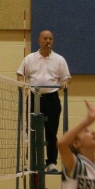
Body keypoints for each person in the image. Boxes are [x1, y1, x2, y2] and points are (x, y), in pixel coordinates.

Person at [17, 30, 71, 172]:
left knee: (51, 132)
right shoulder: (29, 58)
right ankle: (31, 162)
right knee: (31, 131)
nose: (48, 41)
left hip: (52, 98)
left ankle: (51, 163)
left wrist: (65, 82)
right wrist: (22, 83)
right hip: (34, 98)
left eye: (50, 39)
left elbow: (66, 77)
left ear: (53, 41)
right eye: (45, 38)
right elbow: (20, 75)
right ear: (39, 41)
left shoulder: (59, 59)